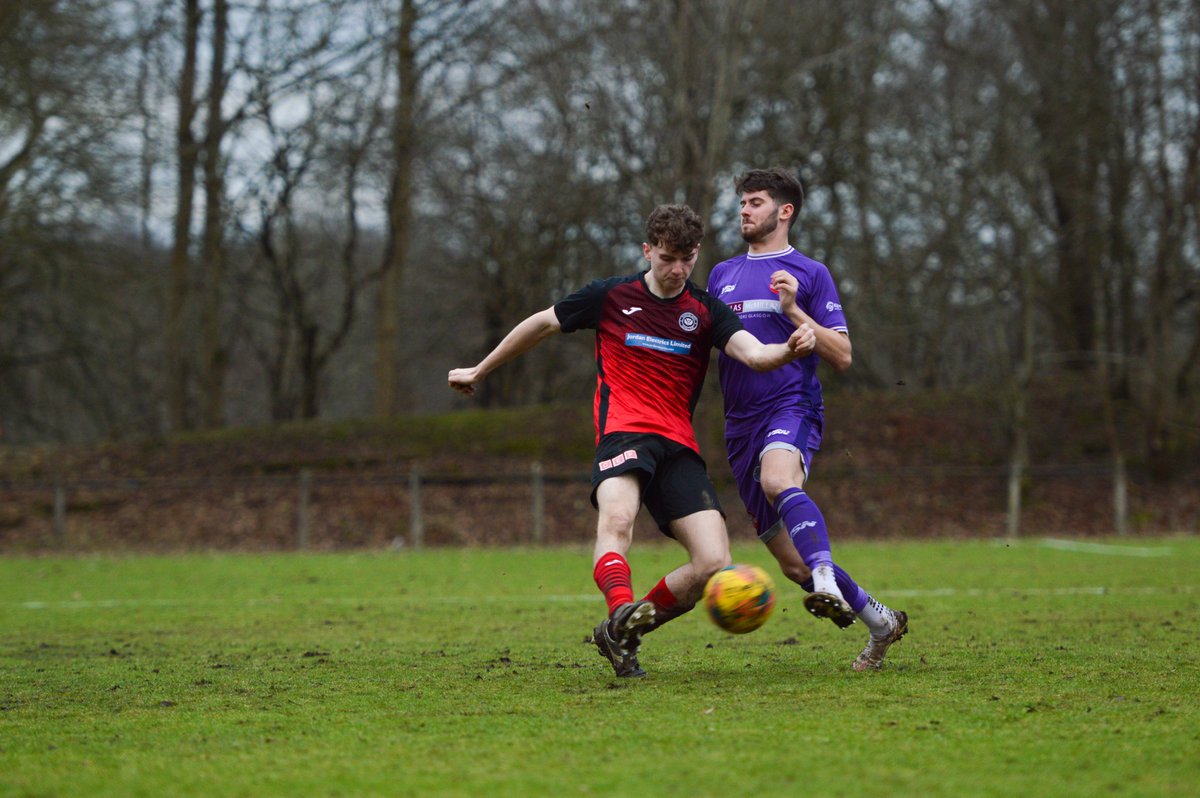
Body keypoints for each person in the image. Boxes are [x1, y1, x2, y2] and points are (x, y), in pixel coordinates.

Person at [449, 204, 815, 678]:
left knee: (713, 562)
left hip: (678, 447)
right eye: (667, 258)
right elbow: (541, 323)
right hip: (622, 432)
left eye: (686, 259)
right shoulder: (611, 296)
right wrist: (480, 369)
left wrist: (788, 348)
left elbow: (755, 354)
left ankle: (620, 631)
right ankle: (620, 608)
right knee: (618, 522)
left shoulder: (705, 310)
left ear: (696, 254)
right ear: (647, 251)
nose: (677, 269)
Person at [707, 168, 909, 671]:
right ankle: (881, 623)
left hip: (791, 406)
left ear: (785, 210)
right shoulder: (720, 275)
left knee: (779, 479)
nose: (744, 211)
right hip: (739, 425)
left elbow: (842, 355)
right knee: (791, 563)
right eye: (742, 203)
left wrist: (795, 311)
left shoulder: (811, 273)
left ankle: (825, 578)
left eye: (755, 202)